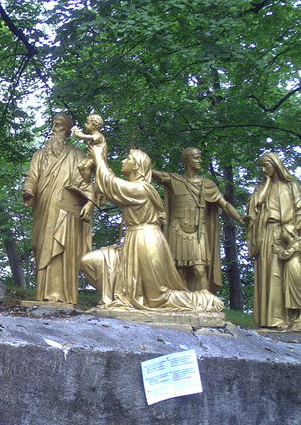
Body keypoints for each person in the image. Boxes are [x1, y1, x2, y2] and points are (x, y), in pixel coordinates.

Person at [77, 130, 222, 312]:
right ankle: (115, 297)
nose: (123, 161)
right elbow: (108, 186)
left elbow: (111, 184)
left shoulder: (142, 189)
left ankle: (203, 299)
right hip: (135, 239)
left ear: (137, 166)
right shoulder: (135, 188)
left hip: (146, 242)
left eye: (127, 159)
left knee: (157, 296)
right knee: (90, 261)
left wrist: (99, 157)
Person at [22, 113, 95, 304]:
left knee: (62, 250)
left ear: (68, 131)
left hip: (66, 212)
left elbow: (84, 182)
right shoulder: (39, 155)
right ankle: (42, 294)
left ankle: (62, 295)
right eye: (54, 125)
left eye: (60, 125)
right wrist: (29, 190)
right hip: (44, 208)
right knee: (41, 245)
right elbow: (32, 177)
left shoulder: (76, 155)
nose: (55, 129)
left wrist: (89, 201)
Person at [152, 147, 244, 292]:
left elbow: (224, 204)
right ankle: (182, 302)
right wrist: (141, 162)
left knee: (200, 270)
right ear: (187, 160)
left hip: (198, 232)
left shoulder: (208, 185)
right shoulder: (175, 180)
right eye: (196, 157)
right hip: (177, 230)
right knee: (179, 270)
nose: (200, 160)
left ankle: (205, 303)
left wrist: (240, 217)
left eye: (200, 157)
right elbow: (153, 174)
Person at [246, 152, 301, 328]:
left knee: (286, 273)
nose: (263, 170)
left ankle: (288, 318)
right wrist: (267, 183)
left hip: (287, 233)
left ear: (275, 164)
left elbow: (299, 209)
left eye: (266, 165)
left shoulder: (292, 186)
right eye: (261, 166)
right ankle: (271, 319)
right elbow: (253, 207)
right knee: (269, 273)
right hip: (266, 232)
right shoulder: (262, 187)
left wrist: (295, 234)